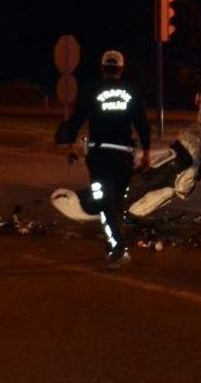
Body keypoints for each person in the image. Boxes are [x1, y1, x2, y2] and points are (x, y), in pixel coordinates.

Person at [55, 50, 151, 268]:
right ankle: (114, 246)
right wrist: (146, 152)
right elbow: (143, 124)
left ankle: (118, 250)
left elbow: (76, 119)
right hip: (124, 157)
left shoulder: (91, 91)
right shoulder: (132, 92)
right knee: (115, 202)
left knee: (105, 201)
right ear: (121, 68)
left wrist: (71, 147)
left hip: (100, 157)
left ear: (102, 68)